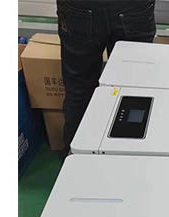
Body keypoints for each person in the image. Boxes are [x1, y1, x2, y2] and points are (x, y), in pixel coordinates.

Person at [56, 0, 157, 158]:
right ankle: (127, 159)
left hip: (79, 7)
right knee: (132, 92)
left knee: (79, 90)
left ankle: (75, 160)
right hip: (133, 7)